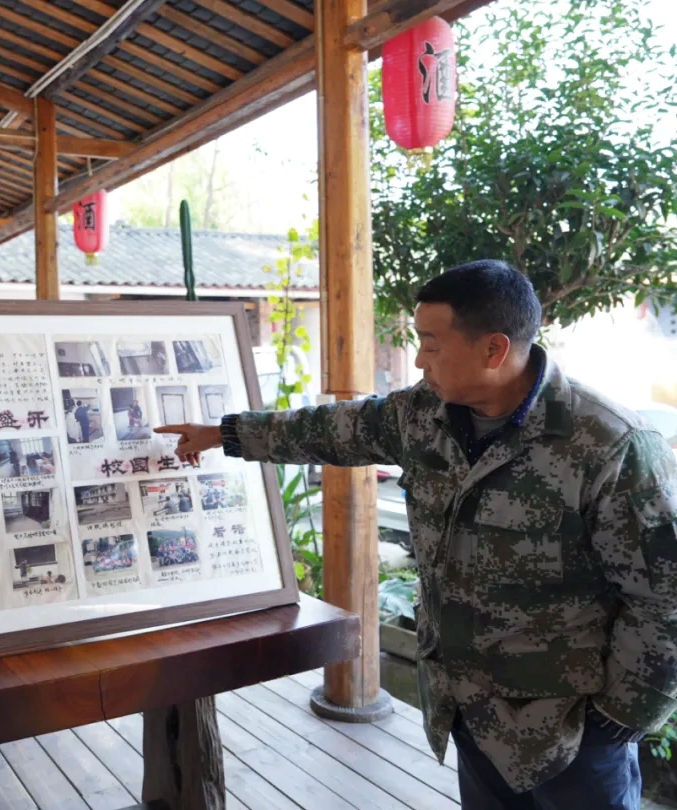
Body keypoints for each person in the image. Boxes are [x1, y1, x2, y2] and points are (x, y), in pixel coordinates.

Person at [157, 260, 677, 810]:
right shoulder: (422, 415)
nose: (419, 359)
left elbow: (663, 597)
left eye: (431, 344)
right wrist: (223, 434)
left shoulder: (608, 444)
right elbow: (328, 429)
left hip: (569, 734)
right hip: (470, 712)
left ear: (494, 349)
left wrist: (618, 719)